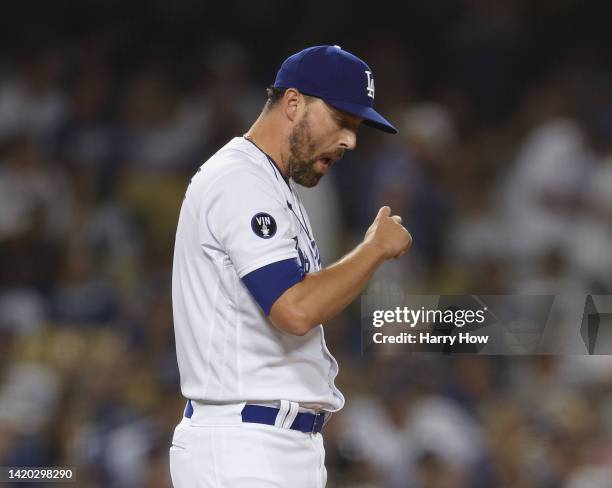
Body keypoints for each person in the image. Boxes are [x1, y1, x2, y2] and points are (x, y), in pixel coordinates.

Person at [170, 45, 412, 487]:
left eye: (356, 128)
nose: (350, 141)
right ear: (294, 102)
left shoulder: (271, 184)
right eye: (342, 121)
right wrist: (374, 249)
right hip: (243, 445)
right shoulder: (239, 180)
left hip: (271, 444)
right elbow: (295, 309)